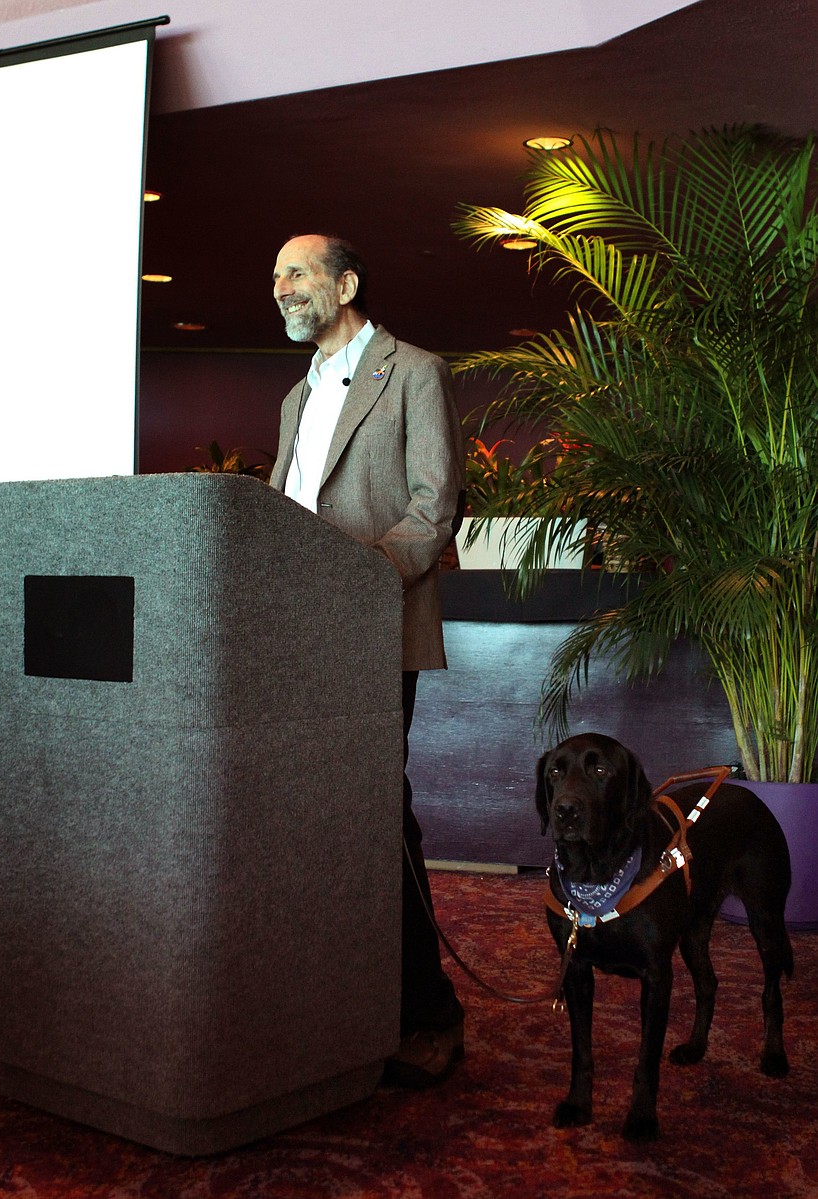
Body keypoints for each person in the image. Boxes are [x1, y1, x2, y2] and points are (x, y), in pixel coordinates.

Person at [269, 233, 466, 1086]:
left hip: (374, 623)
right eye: (275, 276)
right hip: (292, 634)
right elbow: (284, 510)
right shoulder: (292, 398)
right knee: (312, 819)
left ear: (345, 282)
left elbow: (434, 508)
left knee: (379, 812)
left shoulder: (413, 372)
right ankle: (340, 1005)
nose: (281, 288)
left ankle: (428, 1010)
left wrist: (360, 577)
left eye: (298, 273)